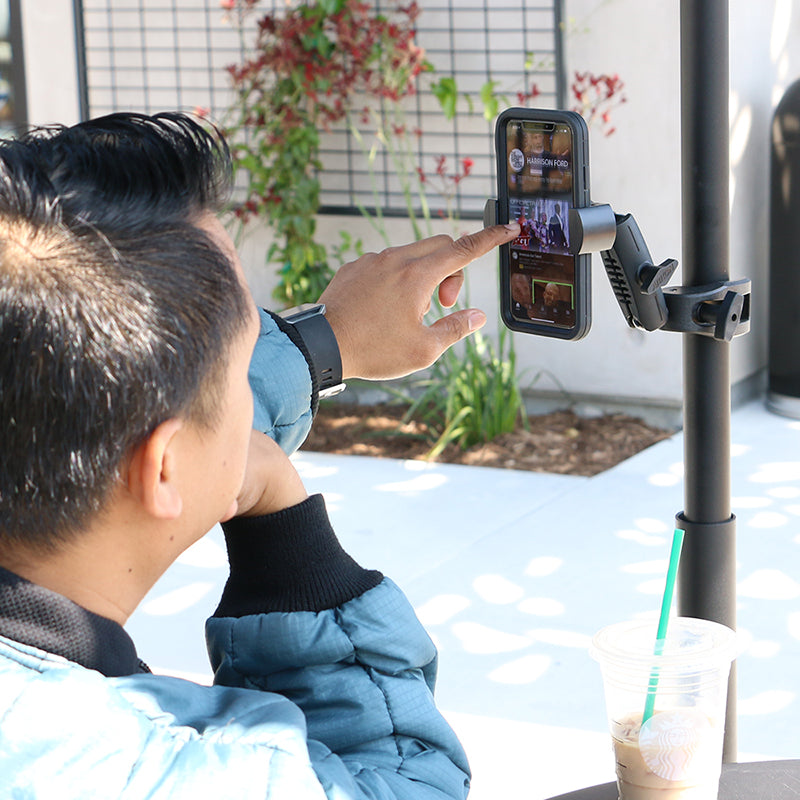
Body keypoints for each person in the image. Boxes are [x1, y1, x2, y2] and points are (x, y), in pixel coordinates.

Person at [0, 112, 520, 798]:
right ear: (162, 467)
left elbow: (102, 407)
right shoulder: (160, 774)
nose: (248, 411)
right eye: (243, 362)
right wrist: (287, 534)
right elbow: (405, 782)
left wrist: (325, 342)